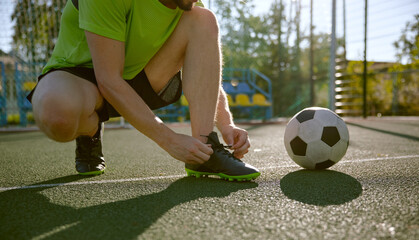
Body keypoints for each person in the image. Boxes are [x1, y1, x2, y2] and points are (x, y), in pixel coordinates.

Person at [27, 0, 260, 181]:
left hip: (136, 78)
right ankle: (90, 129)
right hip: (77, 75)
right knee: (57, 118)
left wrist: (227, 123)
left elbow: (204, 68)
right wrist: (169, 140)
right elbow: (108, 79)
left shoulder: (189, 3)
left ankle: (205, 149)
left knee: (203, 19)